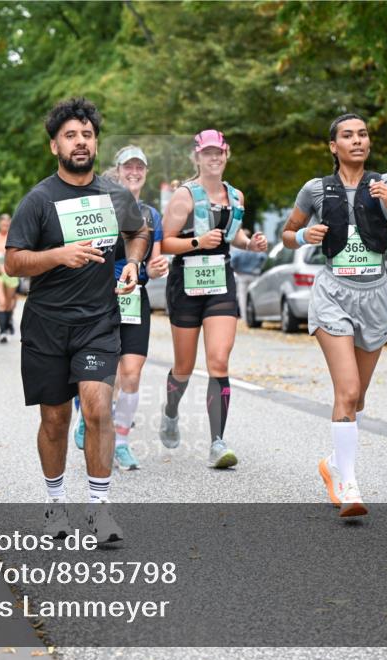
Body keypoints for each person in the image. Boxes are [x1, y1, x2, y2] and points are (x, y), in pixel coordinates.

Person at [5, 97, 148, 544]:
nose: (80, 142)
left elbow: (138, 230)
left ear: (95, 142)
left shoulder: (113, 194)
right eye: (70, 135)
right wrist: (57, 256)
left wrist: (132, 264)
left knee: (98, 408)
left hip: (98, 323)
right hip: (47, 325)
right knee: (54, 420)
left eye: (86, 134)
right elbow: (13, 262)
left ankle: (101, 511)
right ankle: (54, 506)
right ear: (55, 146)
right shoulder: (39, 200)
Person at [282, 113, 387, 518]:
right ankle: (349, 483)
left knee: (358, 398)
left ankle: (334, 464)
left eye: (362, 134)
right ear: (333, 146)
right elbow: (287, 234)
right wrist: (305, 236)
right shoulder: (316, 189)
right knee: (348, 391)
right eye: (347, 135)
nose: (357, 140)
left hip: (375, 294)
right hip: (333, 294)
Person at [158, 130, 268, 469]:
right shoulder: (184, 196)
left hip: (220, 279)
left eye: (218, 152)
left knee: (218, 361)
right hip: (186, 282)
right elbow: (165, 243)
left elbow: (234, 234)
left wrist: (251, 243)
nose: (213, 158)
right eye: (206, 153)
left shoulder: (235, 196)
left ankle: (217, 443)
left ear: (226, 153)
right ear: (197, 157)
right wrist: (197, 243)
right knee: (184, 366)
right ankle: (171, 411)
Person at [70, 145, 168, 470]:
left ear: (146, 173)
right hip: (100, 298)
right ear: (118, 170)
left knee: (132, 374)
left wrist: (153, 271)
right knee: (105, 374)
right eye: (129, 167)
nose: (135, 172)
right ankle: (89, 413)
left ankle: (121, 441)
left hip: (134, 297)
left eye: (140, 167)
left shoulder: (151, 215)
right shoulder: (101, 206)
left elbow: (152, 260)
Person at [0, 214, 20, 343]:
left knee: (9, 303)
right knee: (2, 302)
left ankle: (8, 322)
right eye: (3, 224)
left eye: (7, 224)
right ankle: (2, 332)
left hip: (11, 273)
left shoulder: (14, 237)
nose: (5, 226)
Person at [230, 243, 267, 319]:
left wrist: (235, 269)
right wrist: (259, 266)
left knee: (243, 297)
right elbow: (263, 257)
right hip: (254, 275)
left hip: (242, 276)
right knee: (254, 296)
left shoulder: (239, 250)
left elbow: (233, 260)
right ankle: (255, 316)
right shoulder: (255, 248)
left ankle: (245, 317)